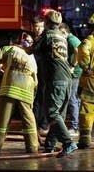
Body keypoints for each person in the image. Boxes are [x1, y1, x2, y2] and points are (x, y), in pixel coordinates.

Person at [31, 10, 77, 157]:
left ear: (46, 22)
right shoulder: (62, 36)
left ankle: (68, 143)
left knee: (51, 112)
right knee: (59, 115)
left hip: (56, 80)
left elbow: (31, 50)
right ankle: (50, 145)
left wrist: (18, 48)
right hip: (67, 79)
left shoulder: (46, 35)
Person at [0, 43, 39, 153]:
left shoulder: (11, 48)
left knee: (2, 118)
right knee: (28, 118)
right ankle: (33, 146)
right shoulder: (31, 57)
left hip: (10, 88)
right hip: (27, 89)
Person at [60, 23, 81, 137]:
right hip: (77, 72)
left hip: (75, 73)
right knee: (75, 99)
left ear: (64, 32)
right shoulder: (72, 38)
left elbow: (78, 51)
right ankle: (76, 125)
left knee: (72, 99)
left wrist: (73, 65)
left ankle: (74, 127)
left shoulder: (71, 39)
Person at [31, 15, 49, 137]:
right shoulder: (33, 39)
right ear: (32, 27)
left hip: (43, 73)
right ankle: (35, 125)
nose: (39, 29)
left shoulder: (45, 38)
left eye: (41, 26)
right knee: (35, 100)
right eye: (37, 26)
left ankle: (43, 125)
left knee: (42, 99)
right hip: (34, 74)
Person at [76, 28, 94, 148]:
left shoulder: (90, 40)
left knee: (87, 108)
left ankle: (85, 139)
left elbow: (82, 50)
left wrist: (86, 67)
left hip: (91, 80)